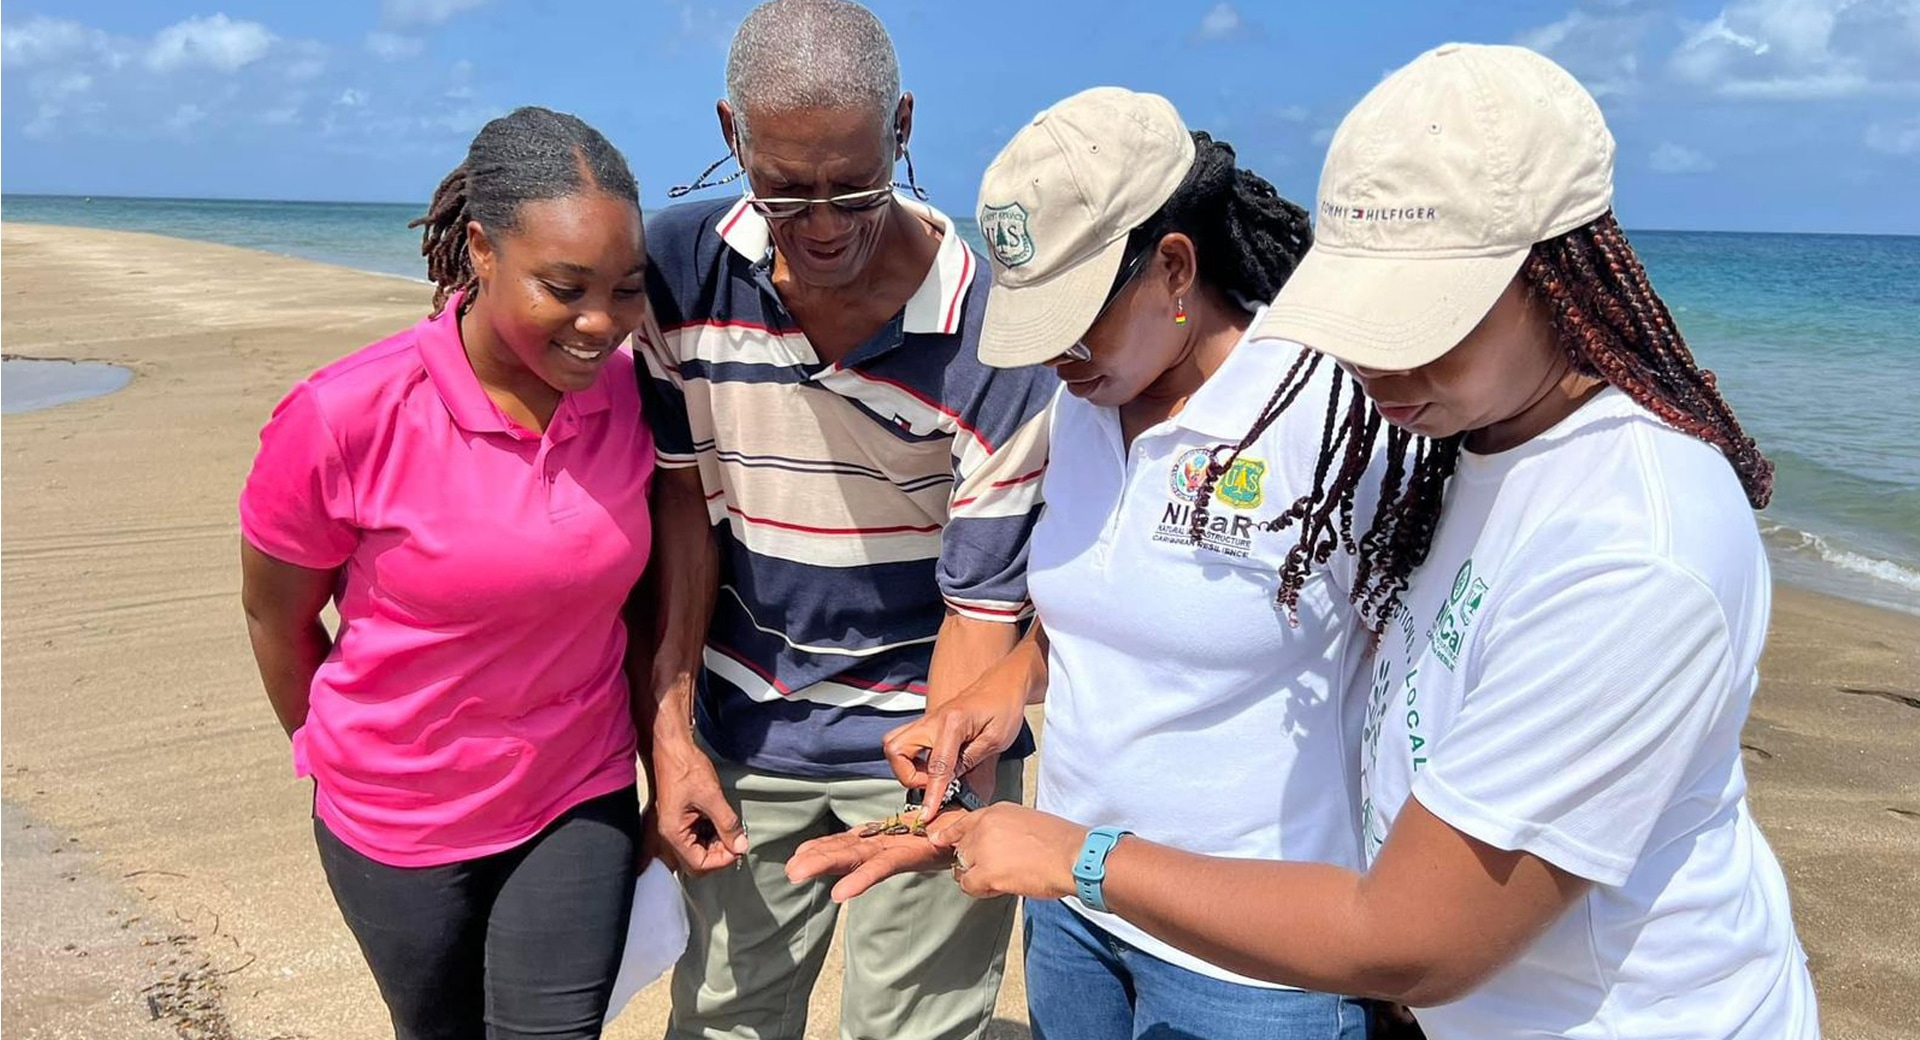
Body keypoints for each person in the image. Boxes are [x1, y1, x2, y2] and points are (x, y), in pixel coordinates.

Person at [907, 44, 1822, 1040]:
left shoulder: (1632, 543)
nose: (1376, 358)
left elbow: (1411, 936)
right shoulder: (1465, 443)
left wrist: (1077, 854)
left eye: (1421, 317)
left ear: (1555, 276)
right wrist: (1013, 694)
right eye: (1358, 310)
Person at [790, 86, 1377, 1039]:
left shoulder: (1330, 410)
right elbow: (1114, 613)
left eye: (1076, 320)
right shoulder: (1087, 404)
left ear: (1175, 269)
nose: (1056, 356)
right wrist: (1003, 689)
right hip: (1071, 913)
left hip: (1258, 958)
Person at [631, 2, 1055, 1038]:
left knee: (913, 1027)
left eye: (855, 188)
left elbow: (982, 602)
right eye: (785, 192)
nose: (822, 224)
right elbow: (683, 505)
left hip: (924, 724)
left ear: (903, 125)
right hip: (743, 725)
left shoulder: (997, 332)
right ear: (732, 135)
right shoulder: (677, 271)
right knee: (725, 1015)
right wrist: (671, 728)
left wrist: (930, 797)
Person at [238, 106, 654, 1040]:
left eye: (627, 290)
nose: (602, 324)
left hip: (576, 788)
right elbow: (277, 620)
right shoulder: (343, 414)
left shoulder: (631, 397)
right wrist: (333, 753)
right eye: (565, 286)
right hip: (397, 816)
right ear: (479, 249)